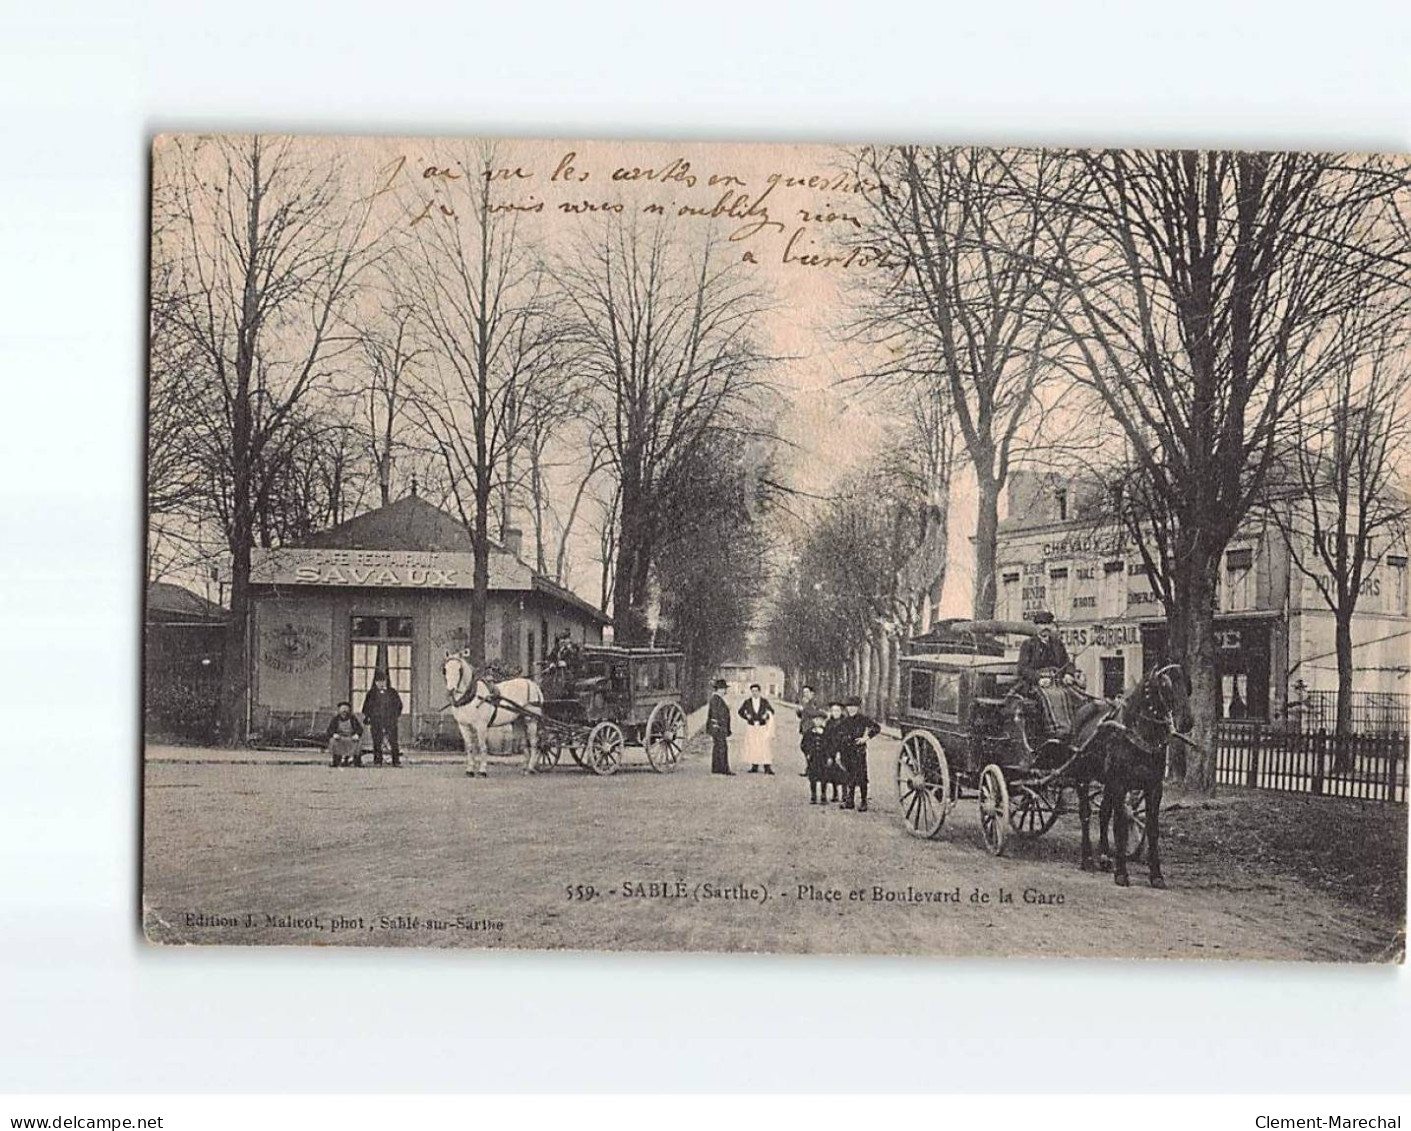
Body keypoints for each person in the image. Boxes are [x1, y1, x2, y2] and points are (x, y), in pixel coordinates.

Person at [1015, 611, 1080, 747]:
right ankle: (1057, 731)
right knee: (1053, 695)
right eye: (1042, 624)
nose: (1045, 627)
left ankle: (1076, 730)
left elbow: (1068, 663)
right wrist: (1038, 679)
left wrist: (1069, 674)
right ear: (1036, 627)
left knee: (1076, 696)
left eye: (1048, 624)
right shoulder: (1028, 645)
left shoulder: (1057, 644)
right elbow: (1022, 669)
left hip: (1056, 681)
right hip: (1034, 684)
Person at [836, 695, 881, 812]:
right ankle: (849, 801)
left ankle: (863, 801)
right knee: (849, 776)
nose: (851, 709)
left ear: (858, 708)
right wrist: (838, 753)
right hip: (847, 751)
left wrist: (865, 738)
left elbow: (877, 728)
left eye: (854, 707)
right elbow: (838, 737)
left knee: (862, 777)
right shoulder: (844, 721)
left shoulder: (862, 719)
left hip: (858, 751)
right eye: (849, 707)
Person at [360, 672, 404, 767]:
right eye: (379, 681)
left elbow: (399, 706)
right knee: (377, 742)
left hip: (390, 721)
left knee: (393, 741)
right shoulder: (371, 693)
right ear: (375, 682)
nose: (381, 683)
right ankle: (377, 761)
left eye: (383, 681)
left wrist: (394, 716)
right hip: (376, 722)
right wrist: (370, 716)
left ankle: (396, 761)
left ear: (386, 681)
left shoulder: (392, 692)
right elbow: (365, 708)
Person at [737, 683, 776, 774]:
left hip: (762, 727)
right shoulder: (747, 702)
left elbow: (771, 711)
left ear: (759, 692)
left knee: (764, 746)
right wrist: (746, 716)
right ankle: (754, 766)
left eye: (756, 691)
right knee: (753, 746)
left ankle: (767, 767)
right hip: (751, 726)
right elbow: (740, 711)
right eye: (753, 691)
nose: (754, 693)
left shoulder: (764, 701)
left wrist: (766, 716)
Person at [801, 704, 830, 804]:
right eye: (816, 720)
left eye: (820, 720)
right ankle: (813, 796)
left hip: (823, 758)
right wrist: (807, 753)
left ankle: (823, 795)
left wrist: (829, 756)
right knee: (812, 777)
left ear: (823, 721)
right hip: (813, 758)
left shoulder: (826, 732)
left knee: (824, 777)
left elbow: (831, 745)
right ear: (813, 721)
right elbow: (803, 744)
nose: (818, 722)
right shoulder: (809, 733)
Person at [796, 685, 825, 778]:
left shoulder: (814, 702)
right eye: (804, 693)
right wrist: (799, 711)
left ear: (812, 693)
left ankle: (812, 770)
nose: (805, 694)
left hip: (812, 728)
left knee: (809, 748)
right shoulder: (805, 703)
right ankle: (810, 768)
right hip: (806, 729)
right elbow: (802, 715)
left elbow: (818, 713)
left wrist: (804, 709)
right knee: (806, 748)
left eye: (807, 692)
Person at [819, 700, 846, 803]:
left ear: (841, 711)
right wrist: (829, 754)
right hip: (830, 751)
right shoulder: (829, 723)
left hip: (842, 751)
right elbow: (825, 739)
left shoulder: (845, 723)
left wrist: (840, 752)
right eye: (833, 710)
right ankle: (833, 794)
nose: (835, 712)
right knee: (829, 773)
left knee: (843, 774)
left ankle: (844, 795)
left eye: (837, 710)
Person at [325, 701, 364, 768]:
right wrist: (334, 734)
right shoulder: (335, 719)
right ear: (339, 710)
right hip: (340, 738)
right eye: (342, 709)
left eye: (346, 709)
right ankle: (336, 760)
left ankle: (357, 761)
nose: (344, 712)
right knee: (333, 741)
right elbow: (329, 730)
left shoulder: (353, 719)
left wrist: (357, 734)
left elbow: (359, 729)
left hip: (350, 737)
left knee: (358, 742)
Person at [707, 678, 734, 775]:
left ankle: (716, 768)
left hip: (719, 727)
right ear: (720, 689)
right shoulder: (716, 699)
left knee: (717, 747)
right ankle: (724, 769)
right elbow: (714, 713)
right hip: (718, 727)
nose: (725, 691)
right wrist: (716, 725)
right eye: (724, 689)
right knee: (722, 747)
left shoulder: (717, 698)